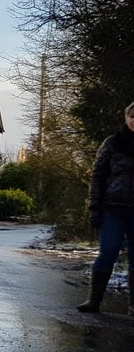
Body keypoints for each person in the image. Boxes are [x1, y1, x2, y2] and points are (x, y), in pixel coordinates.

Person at [78, 101, 134, 314]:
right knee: (108, 252)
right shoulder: (112, 143)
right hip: (113, 209)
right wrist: (94, 209)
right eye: (132, 117)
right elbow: (97, 176)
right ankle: (94, 301)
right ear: (126, 118)